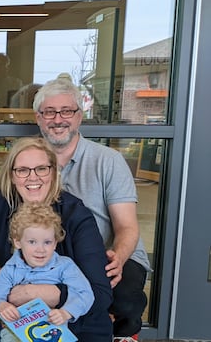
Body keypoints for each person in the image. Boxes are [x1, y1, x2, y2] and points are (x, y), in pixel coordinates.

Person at [33, 77, 151, 341]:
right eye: (49, 112)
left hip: (109, 252)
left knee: (123, 299)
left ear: (79, 116)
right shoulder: (31, 162)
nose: (58, 119)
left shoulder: (109, 161)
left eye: (66, 111)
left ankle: (121, 334)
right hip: (56, 256)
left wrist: (118, 258)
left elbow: (127, 226)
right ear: (38, 118)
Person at [0, 137, 113, 341]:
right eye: (22, 170)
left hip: (74, 324)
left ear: (53, 172)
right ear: (12, 176)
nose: (32, 177)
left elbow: (100, 294)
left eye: (41, 169)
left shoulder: (76, 215)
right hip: (15, 322)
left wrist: (36, 293)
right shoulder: (2, 203)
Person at [0, 203, 94, 342]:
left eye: (47, 242)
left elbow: (85, 293)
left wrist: (66, 312)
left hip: (53, 330)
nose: (40, 249)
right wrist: (2, 306)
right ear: (18, 242)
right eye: (32, 242)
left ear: (55, 243)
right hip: (16, 331)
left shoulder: (64, 266)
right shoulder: (10, 269)